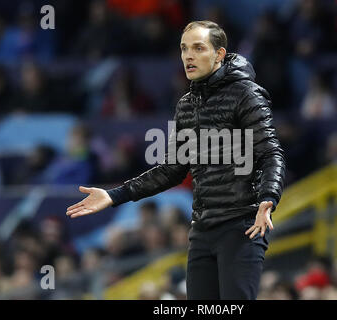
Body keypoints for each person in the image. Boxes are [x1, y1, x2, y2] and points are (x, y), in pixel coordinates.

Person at [66, 20, 286, 300]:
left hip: (242, 225)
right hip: (202, 230)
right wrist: (114, 195)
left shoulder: (246, 94)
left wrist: (268, 197)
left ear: (219, 54)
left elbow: (271, 153)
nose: (188, 56)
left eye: (198, 48)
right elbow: (172, 170)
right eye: (184, 49)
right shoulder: (186, 104)